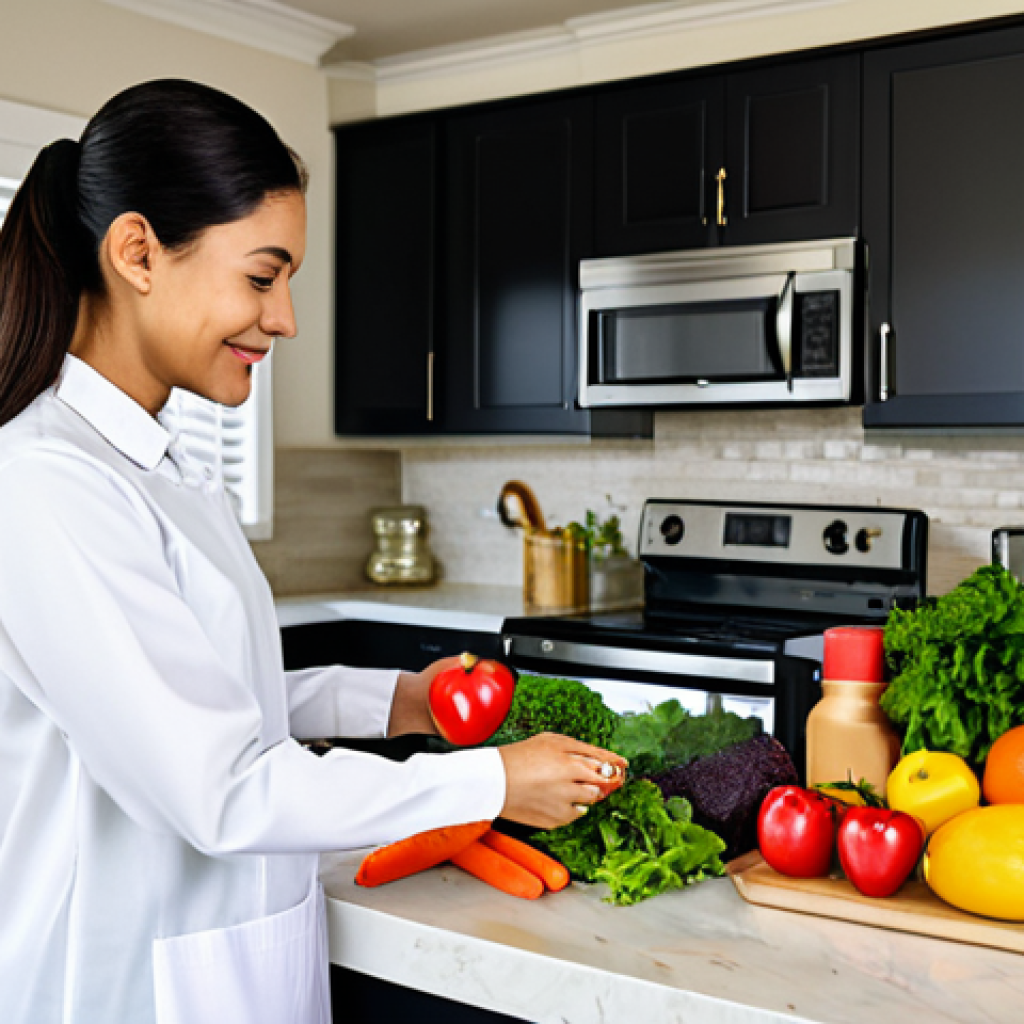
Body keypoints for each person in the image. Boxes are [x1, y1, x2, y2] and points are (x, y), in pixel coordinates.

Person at [0, 79, 626, 1024]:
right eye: (262, 276)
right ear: (136, 253)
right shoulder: (48, 485)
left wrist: (397, 701)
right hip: (120, 979)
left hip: (226, 954)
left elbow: (209, 698)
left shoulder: (163, 464)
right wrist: (491, 777)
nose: (285, 318)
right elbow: (218, 784)